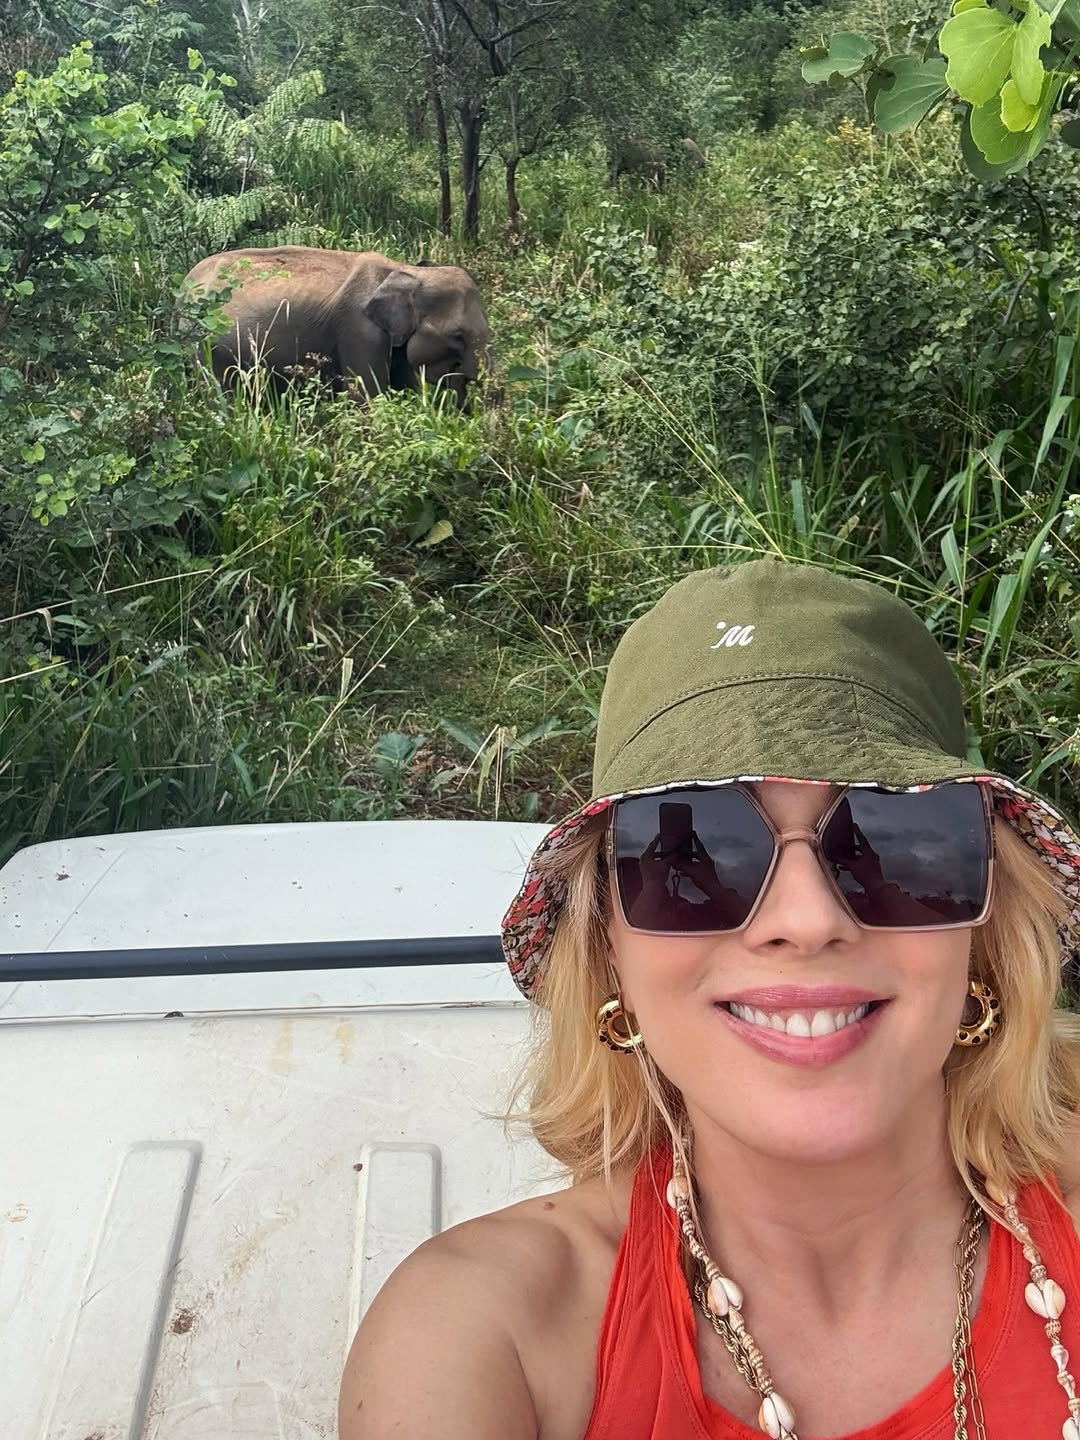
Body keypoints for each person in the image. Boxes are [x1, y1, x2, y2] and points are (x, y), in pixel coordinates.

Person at [339, 558, 1080, 1440]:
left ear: (983, 932)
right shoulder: (483, 1335)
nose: (805, 921)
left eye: (889, 840)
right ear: (607, 951)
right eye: (694, 854)